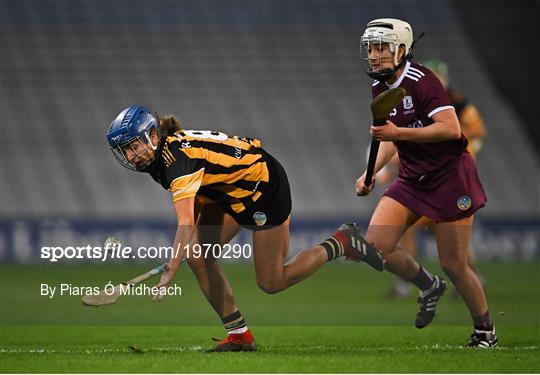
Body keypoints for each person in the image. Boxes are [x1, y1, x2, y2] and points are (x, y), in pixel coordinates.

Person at [106, 106, 384, 352]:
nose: (131, 156)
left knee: (272, 282)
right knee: (198, 257)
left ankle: (341, 242)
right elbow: (203, 191)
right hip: (226, 191)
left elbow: (186, 221)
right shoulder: (161, 158)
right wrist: (183, 253)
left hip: (262, 188)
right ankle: (239, 335)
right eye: (125, 151)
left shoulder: (176, 163)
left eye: (134, 146)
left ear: (153, 136)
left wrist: (172, 267)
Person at [355, 18, 497, 347]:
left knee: (455, 264)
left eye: (382, 48)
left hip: (450, 178)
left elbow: (451, 129)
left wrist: (398, 133)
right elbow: (387, 139)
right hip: (412, 178)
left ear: (402, 50)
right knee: (376, 244)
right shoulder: (380, 86)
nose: (374, 56)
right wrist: (370, 172)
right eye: (371, 48)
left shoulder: (424, 80)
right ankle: (429, 285)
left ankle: (484, 329)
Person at [386, 59, 487, 298]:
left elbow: (478, 131)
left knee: (449, 245)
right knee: (435, 236)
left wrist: (443, 133)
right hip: (431, 179)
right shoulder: (421, 100)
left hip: (452, 178)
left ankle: (418, 281)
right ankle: (468, 278)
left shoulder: (458, 102)